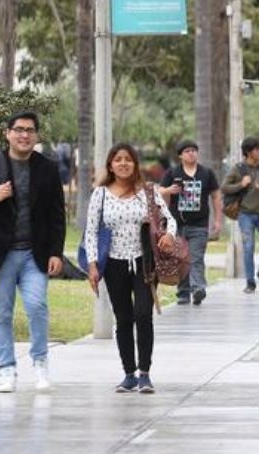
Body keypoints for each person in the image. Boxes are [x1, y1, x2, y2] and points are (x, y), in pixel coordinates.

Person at [0, 111, 66, 393]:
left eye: (30, 130)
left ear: (37, 136)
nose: (24, 135)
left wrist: (56, 252)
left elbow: (57, 215)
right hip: (0, 253)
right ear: (7, 133)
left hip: (35, 254)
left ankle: (40, 362)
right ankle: (6, 369)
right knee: (1, 314)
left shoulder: (48, 168)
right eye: (18, 129)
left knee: (37, 307)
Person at [86, 143, 177, 393]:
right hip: (113, 264)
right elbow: (91, 232)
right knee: (123, 318)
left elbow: (170, 219)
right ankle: (129, 374)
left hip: (144, 262)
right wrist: (92, 264)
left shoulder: (148, 192)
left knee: (143, 313)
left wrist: (168, 236)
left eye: (128, 159)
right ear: (110, 165)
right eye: (118, 159)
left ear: (135, 164)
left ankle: (145, 373)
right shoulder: (100, 194)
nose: (123, 163)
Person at [160, 140, 222, 306]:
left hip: (199, 224)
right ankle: (183, 292)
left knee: (196, 257)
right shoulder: (173, 173)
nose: (191, 153)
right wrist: (168, 190)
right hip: (177, 224)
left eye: (194, 150)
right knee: (180, 259)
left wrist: (217, 220)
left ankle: (198, 288)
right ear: (180, 155)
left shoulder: (206, 173)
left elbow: (216, 196)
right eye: (187, 151)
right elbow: (158, 191)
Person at [221, 137, 259, 294]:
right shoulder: (238, 168)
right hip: (245, 214)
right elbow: (224, 187)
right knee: (248, 247)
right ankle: (250, 282)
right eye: (257, 149)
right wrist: (241, 184)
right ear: (248, 152)